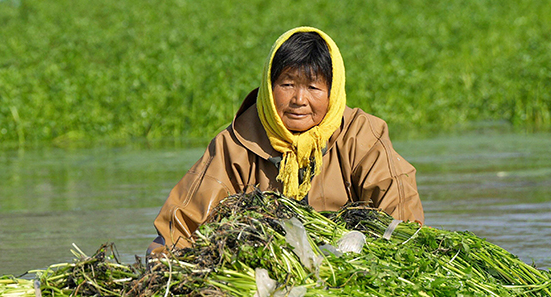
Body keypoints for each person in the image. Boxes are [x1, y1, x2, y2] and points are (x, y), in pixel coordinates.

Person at [149, 26, 423, 253]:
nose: (299, 100)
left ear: (333, 92)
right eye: (287, 84)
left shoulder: (362, 136)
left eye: (313, 87)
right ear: (269, 87)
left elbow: (403, 224)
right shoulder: (234, 145)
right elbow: (178, 232)